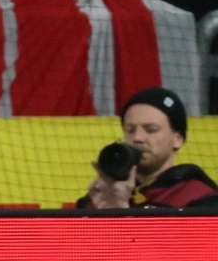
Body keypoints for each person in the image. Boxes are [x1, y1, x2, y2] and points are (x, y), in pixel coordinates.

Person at [77, 87, 218, 209]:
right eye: (130, 130)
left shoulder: (198, 199)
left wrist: (119, 213)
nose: (137, 137)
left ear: (178, 139)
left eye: (151, 129)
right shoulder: (102, 196)